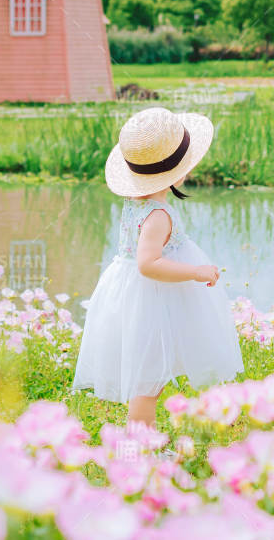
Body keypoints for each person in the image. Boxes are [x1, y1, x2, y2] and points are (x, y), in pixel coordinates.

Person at [70, 106, 243, 427]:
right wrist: (195, 272)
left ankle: (142, 447)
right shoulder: (158, 215)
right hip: (150, 298)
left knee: (151, 376)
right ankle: (140, 450)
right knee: (146, 383)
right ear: (179, 172)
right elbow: (148, 264)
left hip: (142, 295)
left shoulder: (139, 204)